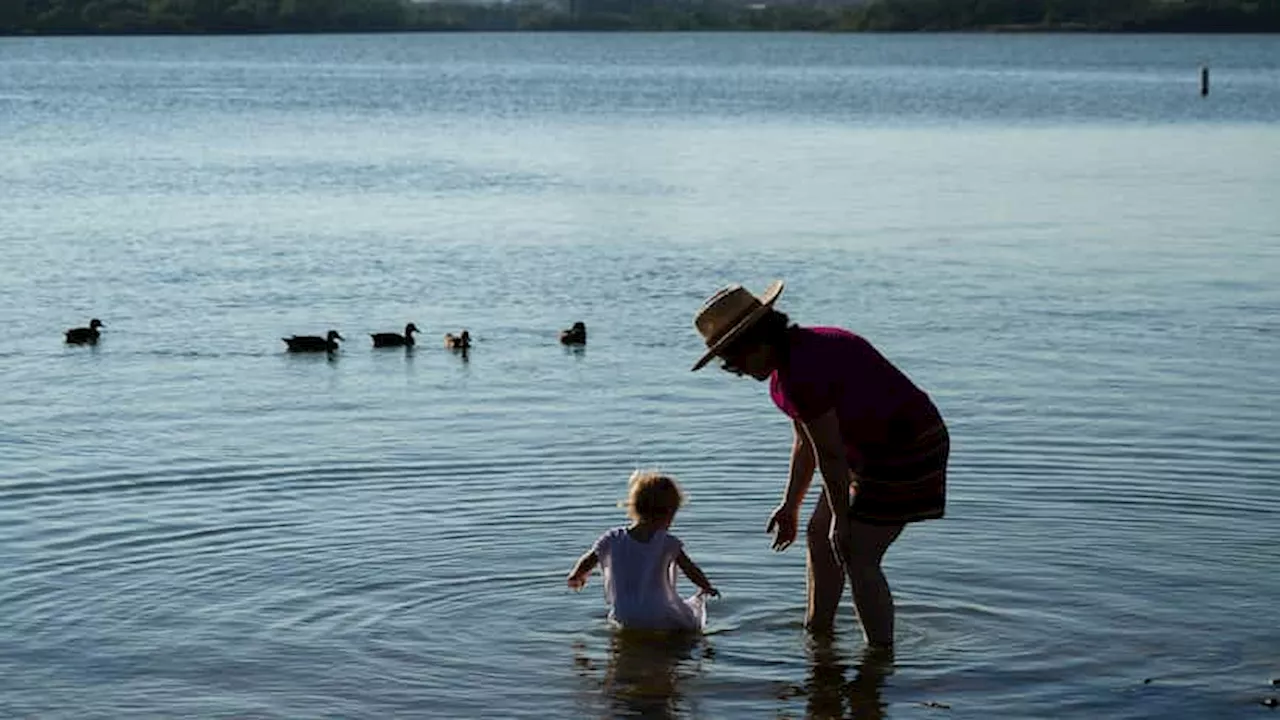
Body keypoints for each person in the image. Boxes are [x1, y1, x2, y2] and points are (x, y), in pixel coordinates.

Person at [690, 281, 949, 648]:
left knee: (856, 553)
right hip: (868, 448)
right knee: (818, 533)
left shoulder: (803, 369)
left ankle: (878, 659)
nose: (739, 372)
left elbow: (829, 453)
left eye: (737, 362)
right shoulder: (788, 368)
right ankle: (819, 634)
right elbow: (807, 443)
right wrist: (790, 506)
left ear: (757, 342)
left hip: (907, 446)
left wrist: (843, 521)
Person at [567, 471, 719, 631]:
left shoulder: (612, 538)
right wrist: (706, 586)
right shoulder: (667, 542)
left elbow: (590, 558)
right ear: (668, 513)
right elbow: (689, 568)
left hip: (625, 613)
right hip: (658, 613)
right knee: (691, 624)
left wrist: (577, 575)